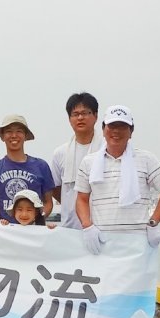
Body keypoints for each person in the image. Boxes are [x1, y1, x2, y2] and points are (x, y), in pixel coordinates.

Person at [75, 105, 160, 254]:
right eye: (112, 126)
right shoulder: (89, 162)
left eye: (122, 126)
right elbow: (81, 199)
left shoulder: (146, 159)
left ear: (131, 131)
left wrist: (153, 223)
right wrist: (87, 226)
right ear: (103, 129)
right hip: (101, 242)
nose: (116, 131)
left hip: (137, 242)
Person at [0, 115, 54, 224]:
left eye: (19, 131)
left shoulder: (42, 166)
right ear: (2, 137)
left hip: (33, 232)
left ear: (25, 136)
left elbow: (48, 203)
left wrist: (37, 219)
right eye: (9, 131)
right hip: (4, 231)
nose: (14, 135)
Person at [50, 92, 103, 229]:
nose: (80, 117)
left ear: (96, 116)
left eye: (85, 113)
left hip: (102, 227)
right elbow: (55, 188)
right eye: (75, 114)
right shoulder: (60, 153)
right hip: (70, 228)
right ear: (69, 119)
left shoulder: (106, 150)